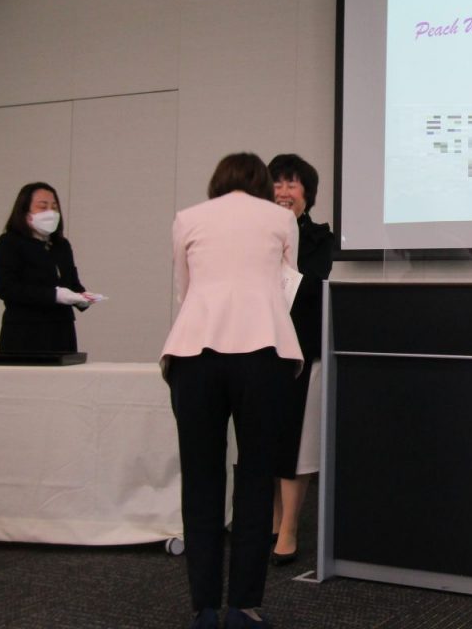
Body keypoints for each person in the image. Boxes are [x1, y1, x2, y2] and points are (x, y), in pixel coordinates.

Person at [161, 153, 303, 629]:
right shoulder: (281, 218)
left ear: (216, 181)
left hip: (194, 352)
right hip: (264, 351)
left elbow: (185, 291)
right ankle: (243, 606)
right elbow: (285, 288)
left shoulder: (188, 218)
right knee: (257, 478)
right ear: (263, 182)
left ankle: (204, 607)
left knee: (201, 479)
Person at [267, 154, 334, 566]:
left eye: (292, 184)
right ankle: (274, 520)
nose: (284, 192)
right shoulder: (254, 234)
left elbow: (312, 286)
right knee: (265, 437)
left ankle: (290, 526)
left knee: (297, 442)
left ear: (307, 194)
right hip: (260, 347)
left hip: (302, 348)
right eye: (277, 183)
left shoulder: (320, 237)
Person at [0, 182, 98, 353]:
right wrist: (54, 295)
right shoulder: (9, 243)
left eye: (54, 207)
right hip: (25, 330)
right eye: (43, 206)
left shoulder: (61, 245)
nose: (51, 212)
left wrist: (82, 297)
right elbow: (6, 288)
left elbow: (71, 282)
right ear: (25, 211)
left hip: (62, 329)